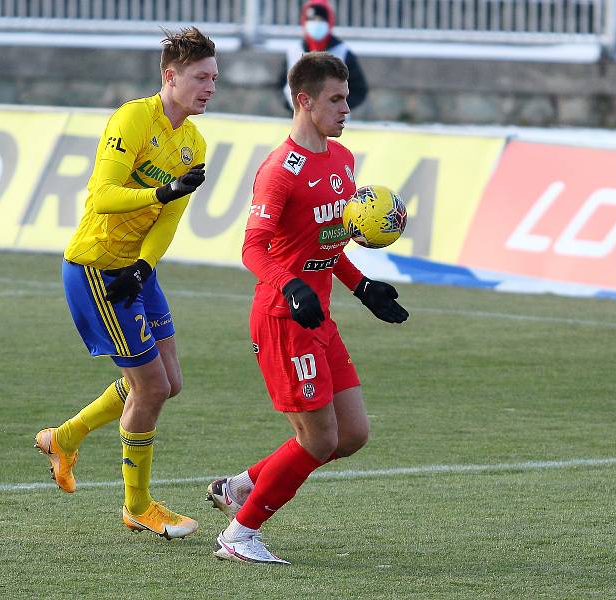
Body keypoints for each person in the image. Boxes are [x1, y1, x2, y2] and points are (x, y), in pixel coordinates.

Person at [207, 52, 408, 565]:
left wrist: (362, 287)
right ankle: (239, 534)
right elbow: (253, 248)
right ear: (305, 101)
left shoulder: (342, 162)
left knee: (352, 434)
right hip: (282, 318)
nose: (346, 108)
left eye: (346, 98)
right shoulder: (279, 171)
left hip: (319, 316)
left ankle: (244, 485)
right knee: (318, 439)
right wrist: (290, 286)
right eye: (336, 100)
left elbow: (326, 241)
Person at [34, 27, 217, 542]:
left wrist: (142, 266)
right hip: (95, 266)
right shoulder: (134, 118)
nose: (209, 87)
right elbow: (103, 197)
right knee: (152, 386)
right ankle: (137, 506)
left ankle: (64, 437)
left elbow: (168, 220)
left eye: (214, 79)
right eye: (200, 77)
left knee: (167, 383)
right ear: (170, 76)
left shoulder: (194, 143)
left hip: (135, 269)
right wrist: (160, 190)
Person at [283, 0, 368, 114]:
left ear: (329, 22)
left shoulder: (342, 52)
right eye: (312, 20)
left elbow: (359, 89)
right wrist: (292, 106)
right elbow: (281, 85)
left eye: (321, 20)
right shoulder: (294, 51)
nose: (316, 24)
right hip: (300, 120)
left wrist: (337, 107)